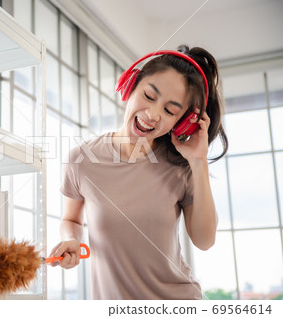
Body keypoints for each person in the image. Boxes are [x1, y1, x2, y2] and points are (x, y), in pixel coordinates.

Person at [48, 45, 228, 300]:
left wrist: (199, 161)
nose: (153, 114)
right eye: (149, 96)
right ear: (130, 85)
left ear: (182, 122)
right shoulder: (81, 159)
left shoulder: (181, 167)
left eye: (170, 111)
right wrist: (72, 240)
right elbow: (72, 220)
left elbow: (204, 240)